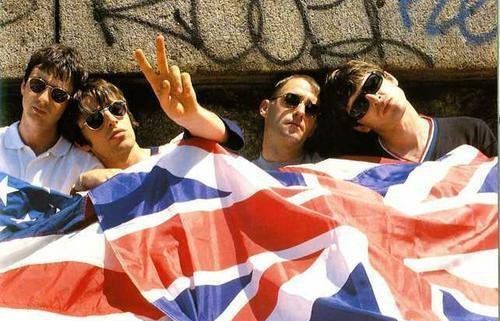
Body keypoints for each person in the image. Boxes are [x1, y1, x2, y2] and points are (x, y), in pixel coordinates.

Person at [60, 35, 243, 192]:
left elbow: (229, 137)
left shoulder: (176, 151)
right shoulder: (91, 189)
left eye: (117, 109)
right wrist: (81, 184)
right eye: (95, 119)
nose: (111, 120)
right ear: (82, 143)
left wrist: (191, 117)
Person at [317, 60, 497, 162]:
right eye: (360, 106)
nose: (374, 99)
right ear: (361, 126)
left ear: (389, 78)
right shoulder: (365, 168)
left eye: (373, 84)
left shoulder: (470, 131)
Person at [0, 44, 102, 194]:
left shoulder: (86, 166)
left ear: (68, 104)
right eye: (37, 85)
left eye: (58, 95)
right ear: (23, 85)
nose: (43, 99)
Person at [253, 74, 323, 170]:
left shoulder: (330, 174)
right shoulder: (237, 176)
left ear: (313, 128)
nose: (301, 112)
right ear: (265, 108)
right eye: (291, 99)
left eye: (311, 109)